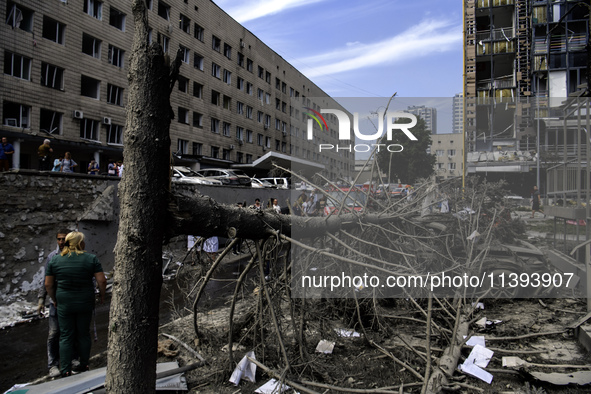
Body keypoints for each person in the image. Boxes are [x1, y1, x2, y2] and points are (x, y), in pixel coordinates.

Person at [45, 231, 107, 377]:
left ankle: (65, 369)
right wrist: (102, 296)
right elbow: (102, 281)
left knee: (66, 335)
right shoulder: (91, 259)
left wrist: (54, 299)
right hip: (85, 301)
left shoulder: (55, 260)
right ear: (80, 243)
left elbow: (48, 284)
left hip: (64, 302)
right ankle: (83, 364)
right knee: (83, 334)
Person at [37, 228, 70, 378]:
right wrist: (41, 300)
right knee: (54, 333)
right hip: (55, 302)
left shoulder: (74, 255)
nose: (61, 242)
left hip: (70, 301)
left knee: (70, 333)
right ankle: (53, 365)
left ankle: (70, 361)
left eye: (64, 239)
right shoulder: (52, 257)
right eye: (59, 239)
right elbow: (46, 281)